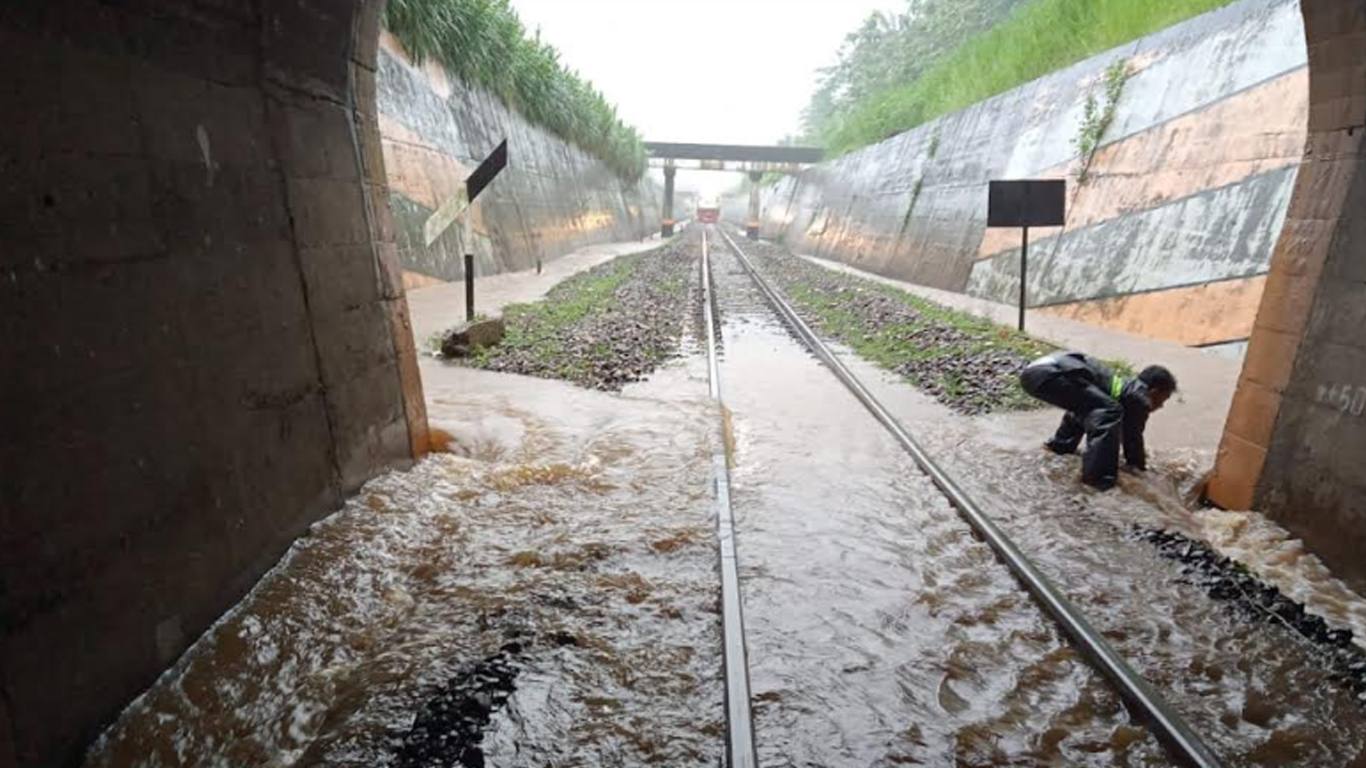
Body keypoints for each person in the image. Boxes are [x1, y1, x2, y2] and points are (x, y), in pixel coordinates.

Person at [1019, 351, 1177, 491]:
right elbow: (1133, 438)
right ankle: (1098, 482)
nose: (1161, 405)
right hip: (1049, 373)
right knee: (1110, 411)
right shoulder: (1140, 398)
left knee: (1092, 408)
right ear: (1154, 391)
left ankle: (1059, 449)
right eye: (1164, 399)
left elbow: (1081, 411)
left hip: (1035, 372)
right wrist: (1139, 472)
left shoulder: (1122, 387)